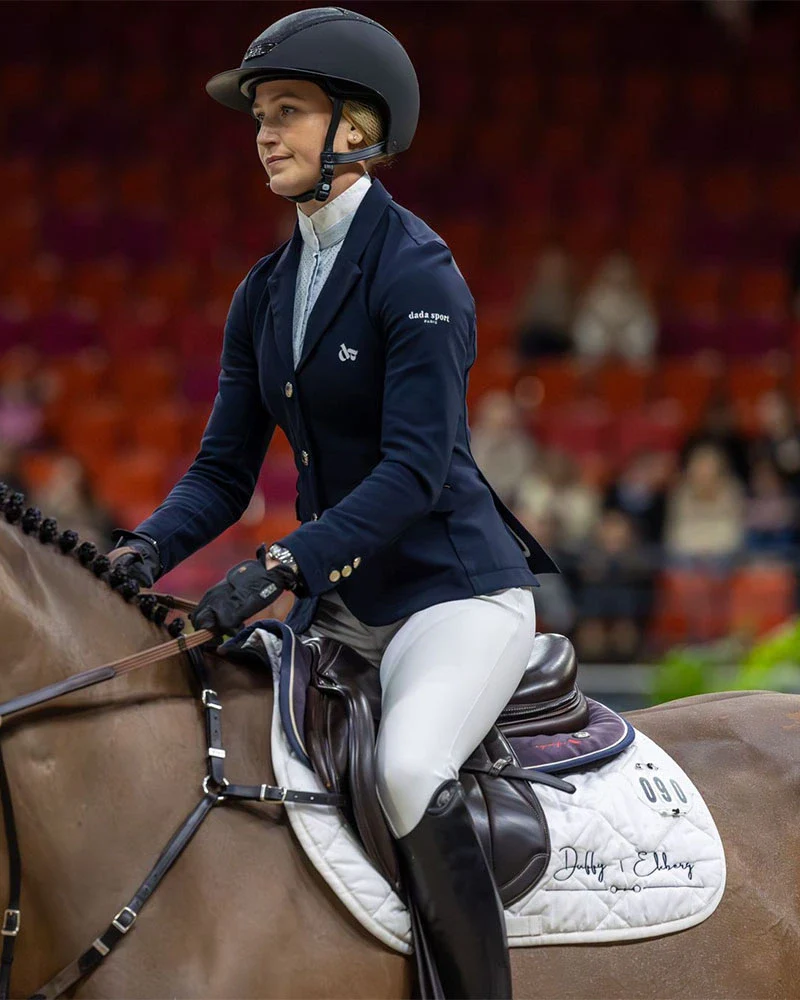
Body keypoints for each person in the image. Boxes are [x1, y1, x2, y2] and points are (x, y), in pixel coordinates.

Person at [108, 9, 556, 997]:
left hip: (451, 598)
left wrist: (277, 565)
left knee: (406, 768)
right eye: (259, 115)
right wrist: (136, 552)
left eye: (288, 112)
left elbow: (414, 469)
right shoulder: (263, 293)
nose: (263, 132)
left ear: (355, 127)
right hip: (340, 613)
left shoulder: (416, 270)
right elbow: (225, 471)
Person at [572, 252, 657, 364]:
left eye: (622, 279)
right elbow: (584, 337)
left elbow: (644, 340)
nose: (617, 280)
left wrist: (622, 342)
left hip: (632, 364)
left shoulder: (640, 303)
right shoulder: (591, 300)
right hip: (594, 364)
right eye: (613, 277)